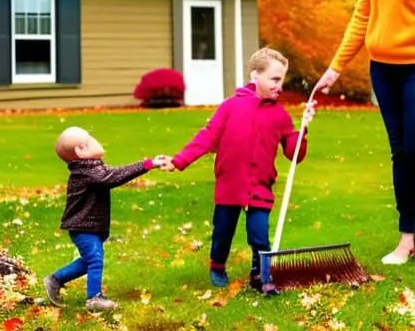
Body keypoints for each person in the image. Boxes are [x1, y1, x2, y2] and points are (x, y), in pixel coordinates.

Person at [161, 48, 316, 294]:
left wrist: (303, 130)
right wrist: (179, 161)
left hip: (260, 185)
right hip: (230, 182)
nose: (279, 85)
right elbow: (206, 137)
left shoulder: (280, 115)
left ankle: (259, 275)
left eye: (282, 80)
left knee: (259, 235)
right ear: (255, 75)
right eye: (274, 79)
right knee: (223, 230)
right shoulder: (231, 106)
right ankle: (217, 265)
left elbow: (294, 154)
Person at [315, 0, 415, 266]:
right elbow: (361, 16)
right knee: (401, 153)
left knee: (414, 149)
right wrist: (335, 68)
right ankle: (407, 238)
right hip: (383, 70)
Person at [43, 126, 166, 311]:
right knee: (95, 260)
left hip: (89, 227)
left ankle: (55, 279)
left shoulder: (91, 167)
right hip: (83, 227)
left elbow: (108, 174)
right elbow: (112, 177)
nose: (95, 139)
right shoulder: (87, 172)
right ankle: (94, 299)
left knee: (89, 261)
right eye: (90, 138)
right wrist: (147, 165)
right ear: (81, 150)